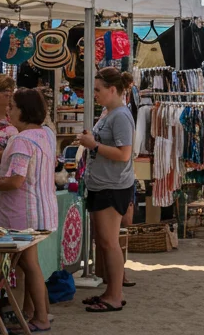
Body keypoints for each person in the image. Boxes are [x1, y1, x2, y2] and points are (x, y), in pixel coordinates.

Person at [0, 89, 58, 331]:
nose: (8, 111)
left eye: (12, 107)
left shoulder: (22, 140)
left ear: (24, 111)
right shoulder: (46, 134)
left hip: (24, 214)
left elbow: (15, 181)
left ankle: (40, 318)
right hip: (41, 210)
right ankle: (34, 313)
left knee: (29, 265)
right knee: (30, 264)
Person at [76, 68, 135, 313]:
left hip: (112, 185)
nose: (95, 94)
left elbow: (124, 154)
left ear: (112, 90)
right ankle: (111, 292)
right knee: (104, 241)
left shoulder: (120, 116)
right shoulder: (109, 112)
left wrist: (94, 145)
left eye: (98, 89)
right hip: (103, 183)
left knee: (109, 242)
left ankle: (115, 295)